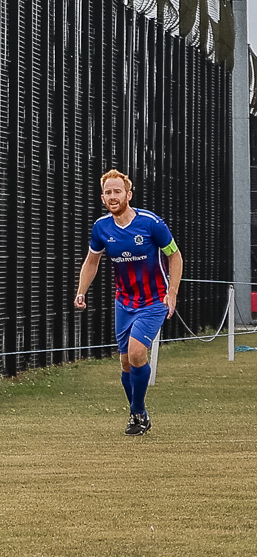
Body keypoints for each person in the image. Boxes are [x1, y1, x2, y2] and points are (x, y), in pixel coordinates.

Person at [76, 169, 183, 436]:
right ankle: (140, 413)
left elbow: (175, 256)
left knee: (136, 353)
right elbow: (92, 262)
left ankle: (136, 413)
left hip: (154, 300)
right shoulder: (101, 228)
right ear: (103, 198)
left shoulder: (151, 224)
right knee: (125, 362)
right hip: (124, 302)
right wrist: (81, 291)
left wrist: (172, 292)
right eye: (108, 192)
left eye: (117, 191)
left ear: (129, 194)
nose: (113, 196)